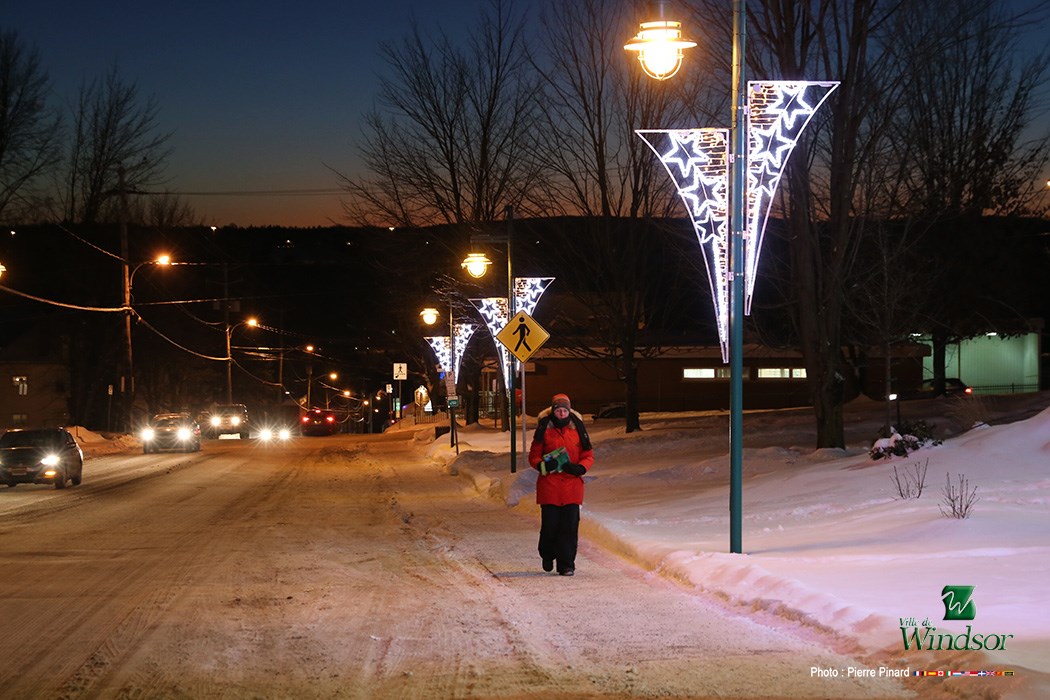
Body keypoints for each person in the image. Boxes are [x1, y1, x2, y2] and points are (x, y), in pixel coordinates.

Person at [528, 393, 594, 576]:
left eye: (565, 410)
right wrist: (543, 465)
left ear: (569, 411)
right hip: (550, 486)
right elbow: (533, 455)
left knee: (569, 528)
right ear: (553, 411)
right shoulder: (544, 429)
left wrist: (580, 468)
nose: (562, 413)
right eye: (559, 410)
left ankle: (566, 564)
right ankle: (547, 554)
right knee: (550, 526)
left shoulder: (578, 429)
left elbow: (588, 455)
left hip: (572, 487)